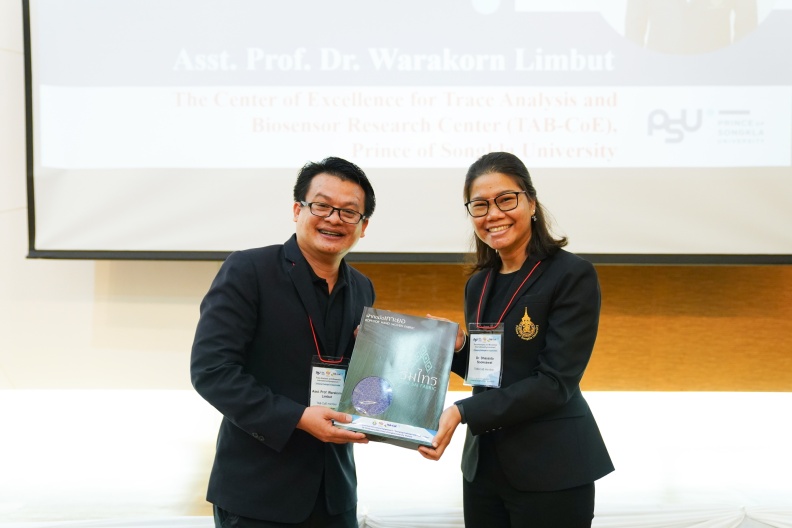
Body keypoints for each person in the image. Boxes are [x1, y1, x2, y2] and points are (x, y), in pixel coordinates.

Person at [418, 152, 614, 527]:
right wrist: (459, 348)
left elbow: (554, 383)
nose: (493, 214)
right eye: (480, 205)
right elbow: (491, 372)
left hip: (552, 467)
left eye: (506, 200)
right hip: (484, 468)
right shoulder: (479, 283)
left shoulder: (571, 275)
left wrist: (462, 412)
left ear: (531, 203)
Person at [191, 156, 376, 528]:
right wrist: (298, 418)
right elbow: (212, 371)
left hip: (335, 496)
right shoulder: (248, 270)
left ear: (363, 226)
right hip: (258, 494)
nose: (334, 218)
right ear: (297, 210)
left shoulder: (362, 287)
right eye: (322, 205)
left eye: (349, 211)